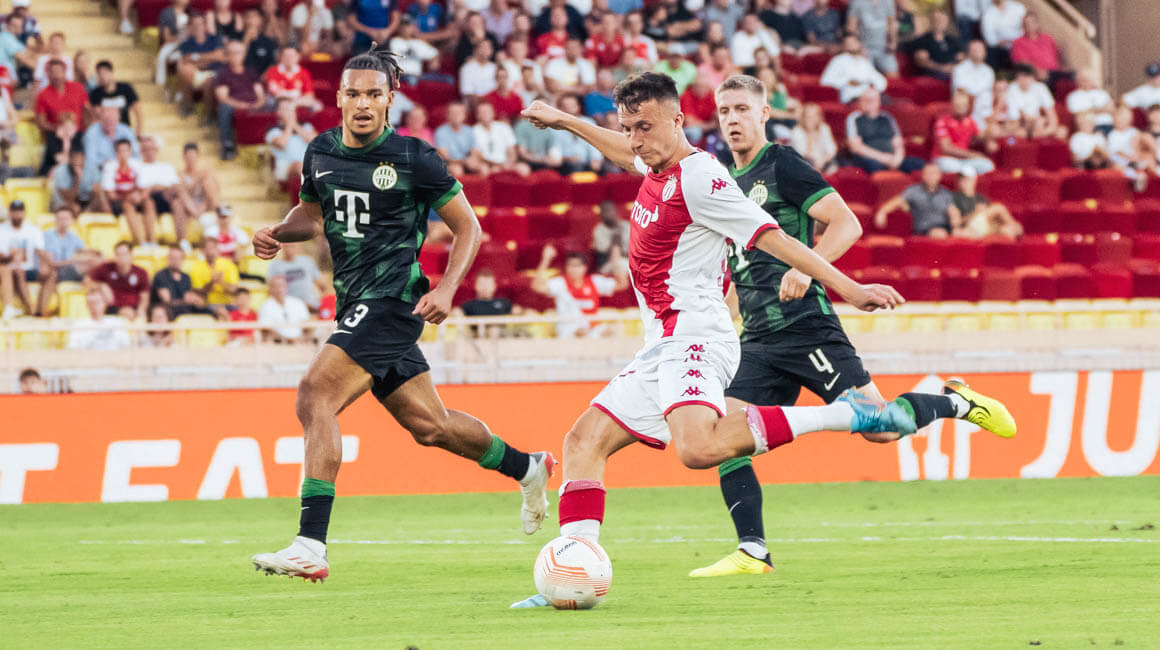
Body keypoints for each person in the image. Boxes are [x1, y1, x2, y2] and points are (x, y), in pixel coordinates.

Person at [510, 73, 917, 608]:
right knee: (583, 441)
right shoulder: (655, 163)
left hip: (697, 335)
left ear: (678, 121)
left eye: (644, 127)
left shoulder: (701, 178)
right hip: (662, 341)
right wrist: (565, 120)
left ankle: (847, 415)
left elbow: (773, 236)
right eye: (628, 127)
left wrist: (849, 287)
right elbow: (622, 152)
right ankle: (571, 575)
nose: (634, 139)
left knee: (699, 448)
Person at [684, 74, 1016, 577]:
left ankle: (958, 402)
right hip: (757, 339)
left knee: (881, 428)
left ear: (764, 113)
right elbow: (743, 267)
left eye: (742, 109)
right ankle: (753, 550)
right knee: (721, 435)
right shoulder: (723, 181)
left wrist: (806, 268)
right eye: (725, 110)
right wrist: (721, 322)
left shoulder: (782, 165)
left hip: (807, 328)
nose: (732, 119)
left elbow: (847, 223)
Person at [249, 46, 555, 582]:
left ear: (390, 99)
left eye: (374, 94)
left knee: (315, 394)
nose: (363, 104)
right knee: (431, 427)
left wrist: (448, 288)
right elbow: (312, 215)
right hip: (354, 303)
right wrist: (278, 231)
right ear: (338, 98)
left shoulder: (415, 158)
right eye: (354, 94)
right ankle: (528, 467)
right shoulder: (320, 151)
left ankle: (310, 545)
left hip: (392, 302)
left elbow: (468, 226)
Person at [532, 243, 626, 338]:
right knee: (582, 332)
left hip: (592, 328)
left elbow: (622, 284)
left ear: (585, 267)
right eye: (570, 265)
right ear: (566, 267)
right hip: (569, 330)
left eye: (577, 265)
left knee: (612, 330)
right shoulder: (560, 283)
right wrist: (546, 259)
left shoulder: (594, 281)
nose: (573, 269)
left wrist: (616, 261)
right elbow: (536, 286)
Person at [845, 88, 925, 174]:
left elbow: (898, 142)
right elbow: (856, 147)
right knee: (873, 166)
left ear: (879, 101)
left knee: (920, 164)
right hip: (870, 158)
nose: (869, 102)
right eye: (866, 100)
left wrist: (897, 159)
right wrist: (884, 158)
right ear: (859, 102)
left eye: (872, 100)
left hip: (892, 158)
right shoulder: (853, 118)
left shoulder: (887, 117)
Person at [214, 40, 268, 161]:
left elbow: (260, 93)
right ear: (227, 55)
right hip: (234, 106)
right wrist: (240, 105)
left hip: (255, 104)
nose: (235, 56)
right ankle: (227, 145)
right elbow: (222, 97)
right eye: (232, 53)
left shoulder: (251, 72)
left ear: (243, 55)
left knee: (273, 101)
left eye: (238, 53)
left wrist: (259, 103)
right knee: (224, 107)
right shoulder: (223, 74)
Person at [875, 162, 961, 238]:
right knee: (940, 234)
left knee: (963, 234)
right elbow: (897, 201)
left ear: (939, 176)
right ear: (923, 175)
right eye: (929, 173)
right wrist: (882, 212)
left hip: (944, 227)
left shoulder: (945, 193)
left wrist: (955, 222)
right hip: (924, 229)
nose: (931, 176)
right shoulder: (913, 190)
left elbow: (952, 210)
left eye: (934, 173)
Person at [35, 58, 89, 175]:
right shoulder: (42, 95)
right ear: (47, 74)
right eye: (52, 72)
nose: (56, 75)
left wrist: (85, 129)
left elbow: (87, 111)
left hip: (78, 134)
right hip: (55, 136)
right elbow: (40, 122)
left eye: (59, 71)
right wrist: (60, 129)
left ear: (65, 72)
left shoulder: (78, 88)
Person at [0, 199, 52, 317]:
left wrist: (44, 266)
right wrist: (12, 256)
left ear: (24, 213)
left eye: (19, 212)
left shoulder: (33, 230)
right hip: (8, 268)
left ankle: (39, 310)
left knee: (51, 274)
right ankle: (28, 310)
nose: (17, 214)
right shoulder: (2, 230)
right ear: (9, 213)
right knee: (14, 271)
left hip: (28, 268)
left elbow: (40, 251)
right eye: (14, 211)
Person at [101, 138, 157, 246]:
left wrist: (140, 197)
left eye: (126, 151)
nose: (123, 154)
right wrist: (128, 197)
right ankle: (140, 242)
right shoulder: (110, 167)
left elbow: (146, 188)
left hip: (135, 198)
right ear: (116, 153)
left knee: (149, 203)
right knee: (127, 205)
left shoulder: (137, 165)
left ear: (130, 152)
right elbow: (110, 194)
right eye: (120, 151)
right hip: (119, 202)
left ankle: (152, 240)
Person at [932, 89, 996, 176]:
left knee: (988, 165)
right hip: (945, 159)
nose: (960, 108)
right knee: (958, 168)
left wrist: (989, 140)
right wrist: (971, 155)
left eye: (963, 105)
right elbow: (946, 148)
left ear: (968, 106)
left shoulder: (970, 121)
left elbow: (981, 136)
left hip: (964, 160)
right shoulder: (942, 121)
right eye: (958, 105)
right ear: (952, 105)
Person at [175, 12, 226, 117]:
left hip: (216, 73)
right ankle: (188, 106)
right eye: (194, 24)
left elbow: (220, 56)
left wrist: (196, 57)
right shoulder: (186, 44)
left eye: (200, 24)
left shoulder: (215, 38)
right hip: (196, 75)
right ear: (190, 27)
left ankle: (207, 116)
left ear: (205, 25)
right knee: (185, 69)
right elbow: (186, 60)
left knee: (209, 81)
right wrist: (211, 57)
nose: (198, 27)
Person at [138, 135, 186, 240]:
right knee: (150, 201)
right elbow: (145, 189)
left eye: (151, 149)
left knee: (177, 203)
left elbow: (176, 185)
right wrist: (160, 187)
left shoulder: (167, 166)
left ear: (156, 150)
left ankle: (182, 241)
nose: (149, 152)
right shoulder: (139, 167)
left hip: (169, 197)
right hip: (152, 197)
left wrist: (158, 186)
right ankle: (195, 212)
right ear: (141, 151)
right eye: (146, 149)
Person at [87, 240, 150, 320]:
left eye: (124, 254)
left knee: (134, 315)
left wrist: (141, 310)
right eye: (117, 254)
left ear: (131, 255)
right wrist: (102, 286)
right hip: (111, 308)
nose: (120, 257)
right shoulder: (106, 268)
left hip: (133, 308)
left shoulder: (141, 272)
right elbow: (88, 281)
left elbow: (144, 296)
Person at [952, 167, 1022, 239]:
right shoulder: (954, 198)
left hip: (986, 226)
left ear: (974, 180)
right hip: (970, 226)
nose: (963, 182)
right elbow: (957, 223)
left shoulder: (981, 198)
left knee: (1006, 230)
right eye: (961, 179)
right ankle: (1014, 226)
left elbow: (992, 219)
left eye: (967, 179)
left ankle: (1013, 227)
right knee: (998, 208)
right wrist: (975, 213)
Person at [820, 35, 888, 104]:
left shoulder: (864, 61)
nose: (851, 45)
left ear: (859, 43)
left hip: (868, 95)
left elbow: (880, 81)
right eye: (848, 43)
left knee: (885, 100)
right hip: (852, 97)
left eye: (853, 42)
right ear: (844, 46)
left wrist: (873, 86)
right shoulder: (838, 60)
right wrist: (848, 81)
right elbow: (825, 80)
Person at [266, 99, 317, 184]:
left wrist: (295, 125)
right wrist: (289, 124)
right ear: (278, 112)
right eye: (286, 109)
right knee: (300, 166)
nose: (289, 112)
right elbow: (282, 144)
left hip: (308, 164)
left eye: (291, 109)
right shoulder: (273, 131)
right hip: (285, 166)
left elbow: (316, 143)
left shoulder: (306, 126)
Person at [82, 105, 138, 183]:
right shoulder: (92, 133)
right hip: (101, 170)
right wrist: (111, 165)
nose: (110, 123)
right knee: (90, 169)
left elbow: (136, 155)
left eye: (113, 120)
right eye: (106, 120)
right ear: (100, 120)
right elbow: (91, 159)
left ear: (118, 119)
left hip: (125, 168)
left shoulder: (127, 131)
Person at [1005, 64, 1062, 140]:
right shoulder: (1012, 88)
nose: (1024, 80)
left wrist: (1048, 129)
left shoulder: (1040, 88)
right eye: (1021, 77)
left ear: (1033, 78)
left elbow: (1052, 115)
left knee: (1060, 131)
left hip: (1036, 123)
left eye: (1027, 77)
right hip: (1020, 124)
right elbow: (1014, 118)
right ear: (1016, 78)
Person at [150, 245, 210, 316]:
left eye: (177, 258)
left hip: (185, 310)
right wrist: (186, 301)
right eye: (172, 257)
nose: (174, 261)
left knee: (209, 311)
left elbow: (189, 297)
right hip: (167, 312)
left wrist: (196, 300)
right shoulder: (160, 276)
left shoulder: (186, 277)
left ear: (183, 259)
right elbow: (167, 301)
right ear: (168, 259)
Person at [189, 236, 240, 317]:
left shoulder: (229, 265)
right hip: (207, 306)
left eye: (213, 247)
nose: (211, 251)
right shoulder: (196, 267)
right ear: (202, 250)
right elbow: (198, 292)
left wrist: (221, 282)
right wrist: (212, 282)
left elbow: (234, 290)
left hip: (228, 304)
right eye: (208, 248)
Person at [845, 0, 899, 76]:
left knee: (893, 75)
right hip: (865, 48)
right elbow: (851, 28)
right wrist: (859, 48)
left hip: (884, 48)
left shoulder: (888, 1)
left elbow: (892, 22)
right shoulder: (857, 2)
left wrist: (893, 42)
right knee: (865, 76)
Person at [267, 241, 326, 311]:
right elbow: (271, 291)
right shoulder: (275, 265)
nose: (289, 246)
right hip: (289, 310)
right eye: (286, 244)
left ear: (298, 245)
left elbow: (323, 286)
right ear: (281, 245)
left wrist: (321, 303)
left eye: (292, 244)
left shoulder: (307, 261)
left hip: (312, 308)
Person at [88, 60, 142, 134]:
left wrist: (138, 133)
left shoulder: (126, 88)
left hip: (124, 130)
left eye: (105, 73)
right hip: (104, 132)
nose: (102, 76)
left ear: (111, 73)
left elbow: (138, 112)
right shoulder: (95, 93)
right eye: (99, 74)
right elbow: (96, 116)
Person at [66, 289, 131, 350]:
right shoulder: (79, 325)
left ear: (105, 303)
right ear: (86, 305)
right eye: (91, 303)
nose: (94, 306)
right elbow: (72, 350)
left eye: (97, 302)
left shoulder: (117, 322)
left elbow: (126, 347)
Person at [459, 269, 515, 339]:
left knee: (494, 329)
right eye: (482, 284)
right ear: (475, 285)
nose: (485, 287)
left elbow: (517, 312)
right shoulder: (468, 305)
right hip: (476, 337)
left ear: (494, 286)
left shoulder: (504, 303)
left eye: (488, 284)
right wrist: (457, 313)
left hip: (502, 339)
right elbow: (457, 314)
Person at [265, 46, 322, 112]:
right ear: (281, 57)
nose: (289, 59)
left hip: (297, 102)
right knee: (281, 104)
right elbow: (276, 93)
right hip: (278, 102)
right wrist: (293, 94)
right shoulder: (273, 71)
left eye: (291, 56)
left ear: (298, 57)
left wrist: (294, 102)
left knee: (316, 104)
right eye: (286, 56)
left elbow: (309, 94)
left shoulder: (304, 72)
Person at [434, 101, 485, 176]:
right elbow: (445, 157)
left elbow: (475, 151)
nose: (456, 115)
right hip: (450, 163)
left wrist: (473, 159)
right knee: (457, 170)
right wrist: (464, 162)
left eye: (459, 113)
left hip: (467, 162)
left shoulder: (469, 130)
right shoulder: (441, 132)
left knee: (484, 168)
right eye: (453, 113)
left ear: (464, 115)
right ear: (447, 115)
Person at [471, 101, 523, 175]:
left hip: (506, 163)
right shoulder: (473, 131)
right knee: (494, 170)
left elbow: (512, 151)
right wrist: (499, 165)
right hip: (488, 164)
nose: (485, 114)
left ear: (493, 112)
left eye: (487, 111)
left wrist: (509, 163)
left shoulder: (504, 127)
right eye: (482, 112)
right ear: (477, 115)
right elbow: (478, 155)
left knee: (523, 169)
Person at [910, 10, 963, 80]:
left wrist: (954, 68)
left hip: (953, 72)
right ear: (931, 21)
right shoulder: (922, 40)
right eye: (937, 20)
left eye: (943, 20)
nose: (940, 23)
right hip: (933, 74)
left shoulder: (953, 40)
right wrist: (942, 68)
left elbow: (961, 58)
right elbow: (922, 62)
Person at [258, 273, 311, 343]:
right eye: (276, 286)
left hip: (300, 342)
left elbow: (307, 325)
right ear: (270, 288)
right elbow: (266, 330)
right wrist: (287, 340)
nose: (279, 289)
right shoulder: (265, 306)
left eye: (282, 285)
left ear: (286, 287)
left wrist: (302, 339)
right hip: (277, 344)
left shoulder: (298, 303)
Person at [43, 206, 89, 285]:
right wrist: (74, 261)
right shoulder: (47, 236)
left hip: (71, 269)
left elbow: (85, 252)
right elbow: (51, 263)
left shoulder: (74, 237)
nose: (63, 222)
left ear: (72, 221)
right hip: (55, 271)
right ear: (55, 220)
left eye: (66, 219)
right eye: (60, 219)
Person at [49, 147, 102, 214]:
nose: (77, 161)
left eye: (79, 157)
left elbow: (97, 193)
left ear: (84, 157)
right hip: (64, 201)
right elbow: (67, 198)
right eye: (74, 158)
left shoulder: (92, 168)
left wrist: (89, 209)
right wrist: (77, 180)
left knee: (102, 204)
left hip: (85, 200)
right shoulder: (61, 171)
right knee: (75, 208)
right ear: (70, 159)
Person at [1009, 12, 1059, 83]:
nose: (1030, 25)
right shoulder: (1018, 43)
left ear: (1037, 23)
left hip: (1055, 72)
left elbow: (1056, 56)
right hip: (1036, 75)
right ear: (1023, 26)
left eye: (1032, 22)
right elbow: (1023, 63)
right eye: (1027, 23)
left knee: (1070, 78)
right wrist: (1037, 71)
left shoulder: (1047, 38)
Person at [790, 102, 838, 174]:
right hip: (805, 161)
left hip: (823, 160)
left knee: (833, 166)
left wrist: (823, 160)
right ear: (803, 118)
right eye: (808, 117)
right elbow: (802, 153)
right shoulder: (797, 131)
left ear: (819, 117)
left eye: (814, 116)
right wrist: (809, 134)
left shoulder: (824, 128)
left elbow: (831, 149)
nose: (811, 120)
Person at [980, 0, 1025, 69]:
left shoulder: (1018, 8)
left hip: (1021, 44)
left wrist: (1015, 41)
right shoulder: (988, 13)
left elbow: (1026, 28)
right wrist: (1006, 41)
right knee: (991, 52)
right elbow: (990, 40)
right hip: (1001, 49)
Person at [1067, 69, 1115, 133]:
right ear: (1078, 80)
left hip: (1110, 125)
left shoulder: (1102, 93)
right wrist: (1100, 109)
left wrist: (1091, 110)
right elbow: (1077, 114)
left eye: (1089, 79)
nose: (1087, 81)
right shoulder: (1074, 96)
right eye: (1084, 79)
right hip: (1090, 127)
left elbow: (1112, 109)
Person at [952, 39, 995, 107]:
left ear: (985, 52)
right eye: (975, 49)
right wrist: (977, 100)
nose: (978, 52)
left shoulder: (989, 70)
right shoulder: (959, 69)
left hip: (984, 105)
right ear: (968, 52)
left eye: (981, 49)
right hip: (965, 105)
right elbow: (960, 90)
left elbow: (990, 91)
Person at [591, 200, 629, 270]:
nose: (606, 214)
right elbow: (605, 251)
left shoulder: (627, 226)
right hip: (606, 264)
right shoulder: (598, 229)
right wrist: (616, 236)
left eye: (609, 211)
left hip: (627, 261)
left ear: (616, 211)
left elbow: (631, 249)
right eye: (604, 211)